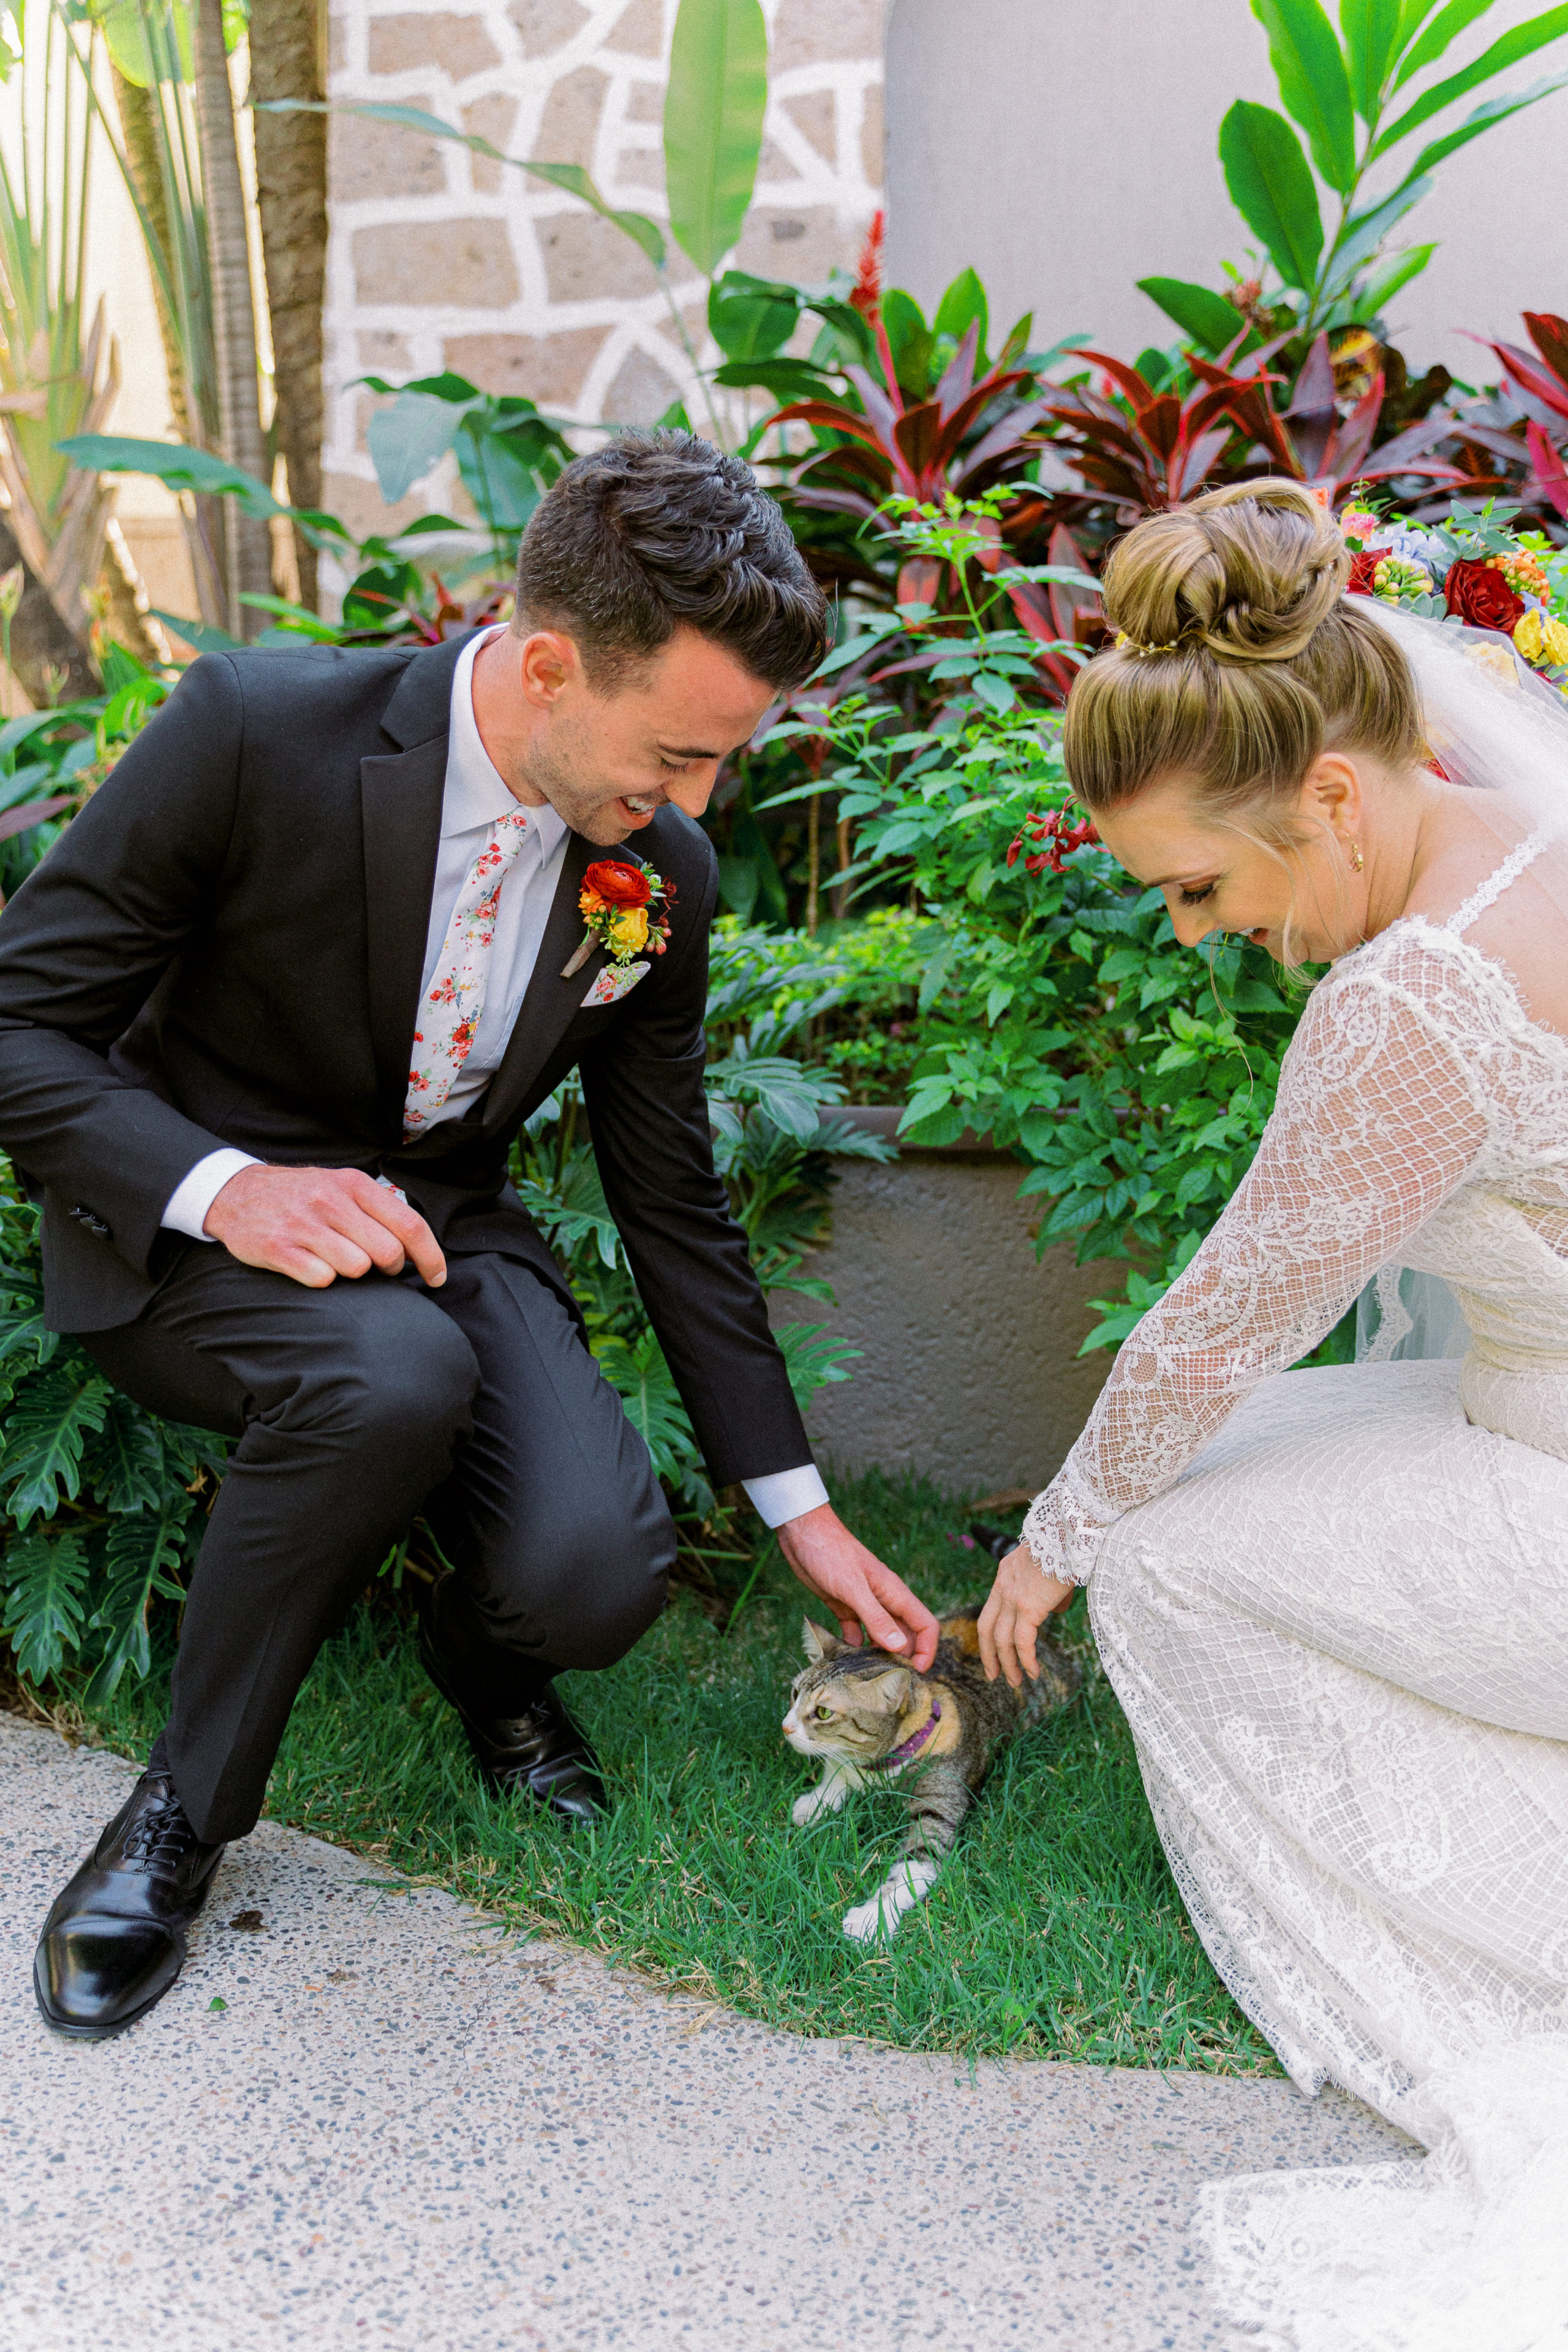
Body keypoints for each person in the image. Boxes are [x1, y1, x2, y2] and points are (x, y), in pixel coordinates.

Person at [2, 431, 939, 2041]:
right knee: (389, 1376)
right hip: (191, 1231)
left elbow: (669, 1190)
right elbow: (19, 1023)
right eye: (678, 753)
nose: (697, 804)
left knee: (593, 1575)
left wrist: (799, 1508)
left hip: (442, 1226)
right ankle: (179, 1821)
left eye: (723, 763)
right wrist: (234, 1188)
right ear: (551, 664)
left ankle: (485, 1664)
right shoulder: (252, 732)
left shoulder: (662, 875)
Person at [976, 480, 1568, 2351]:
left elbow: (1222, 1321)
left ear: (1330, 791)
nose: (1191, 933)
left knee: (1165, 1554)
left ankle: (1487, 1934)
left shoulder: (1422, 998)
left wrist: (1050, 1548)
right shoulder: (1526, 835)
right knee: (1272, 1443)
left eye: (1197, 888)